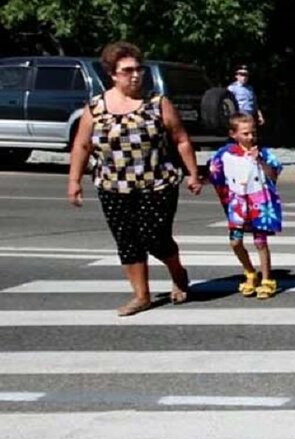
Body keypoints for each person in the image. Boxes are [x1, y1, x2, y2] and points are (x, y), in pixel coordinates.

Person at [67, 41, 204, 316]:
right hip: (112, 186)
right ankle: (141, 295)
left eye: (139, 69)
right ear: (112, 74)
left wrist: (193, 173)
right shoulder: (95, 108)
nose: (135, 75)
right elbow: (82, 146)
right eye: (127, 70)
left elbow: (181, 140)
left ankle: (177, 272)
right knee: (127, 241)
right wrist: (74, 182)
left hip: (157, 184)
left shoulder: (157, 103)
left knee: (155, 237)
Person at [208, 113, 284, 299]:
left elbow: (274, 174)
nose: (250, 137)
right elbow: (214, 172)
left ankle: (267, 279)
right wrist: (199, 180)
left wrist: (260, 160)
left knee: (260, 241)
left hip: (259, 202)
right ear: (233, 134)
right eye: (245, 134)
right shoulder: (225, 154)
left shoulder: (264, 153)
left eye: (253, 133)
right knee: (235, 241)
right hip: (238, 203)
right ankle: (250, 271)